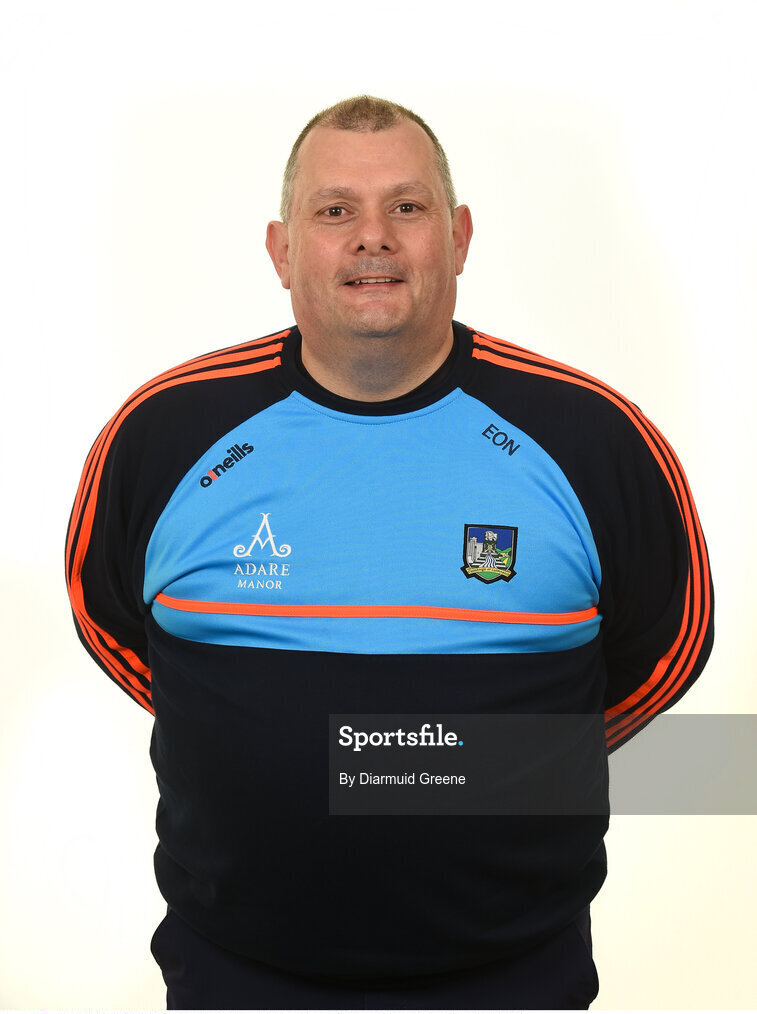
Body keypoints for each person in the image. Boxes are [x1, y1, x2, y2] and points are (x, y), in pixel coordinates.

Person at [65, 95, 714, 1010]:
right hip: (234, 970)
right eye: (334, 212)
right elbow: (116, 626)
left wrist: (468, 767)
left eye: (405, 208)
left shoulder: (591, 437)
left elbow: (666, 650)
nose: (372, 237)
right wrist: (247, 744)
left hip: (516, 973)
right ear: (282, 250)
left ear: (457, 237)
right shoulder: (164, 435)